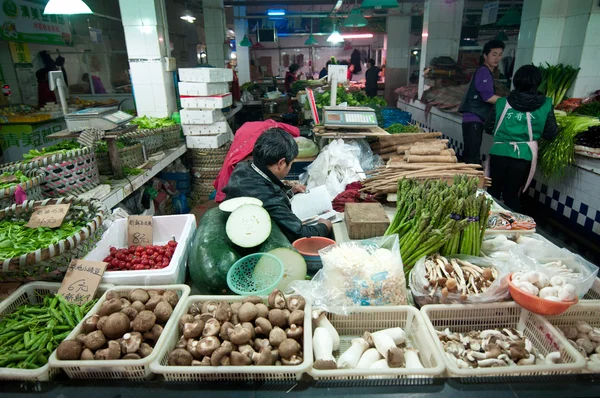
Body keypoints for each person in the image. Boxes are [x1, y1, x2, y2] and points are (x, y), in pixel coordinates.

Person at [223, 128, 332, 242]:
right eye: (290, 164)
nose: (290, 168)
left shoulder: (244, 167)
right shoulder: (270, 198)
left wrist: (288, 191)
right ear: (281, 163)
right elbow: (300, 235)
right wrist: (323, 226)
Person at [483, 65, 558, 212]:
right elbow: (550, 133)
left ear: (516, 81)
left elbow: (488, 127)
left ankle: (487, 226)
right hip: (523, 156)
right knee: (512, 196)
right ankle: (512, 230)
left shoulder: (502, 102)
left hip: (499, 153)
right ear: (537, 82)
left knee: (492, 193)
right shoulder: (546, 104)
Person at [458, 40, 505, 165]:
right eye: (494, 54)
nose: (497, 58)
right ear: (485, 55)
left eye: (500, 55)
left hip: (474, 119)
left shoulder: (487, 72)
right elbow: (488, 97)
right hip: (474, 118)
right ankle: (469, 181)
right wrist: (509, 103)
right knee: (471, 157)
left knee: (471, 154)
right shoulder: (484, 71)